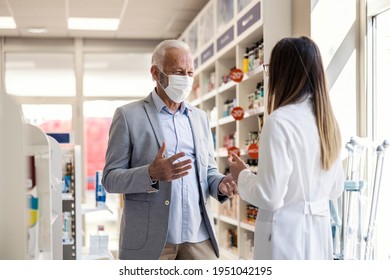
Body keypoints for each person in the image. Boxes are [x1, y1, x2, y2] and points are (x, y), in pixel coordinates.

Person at [102, 39, 237, 260]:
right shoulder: (128, 116)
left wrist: (221, 184)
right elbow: (110, 179)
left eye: (190, 72)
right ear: (156, 73)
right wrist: (150, 174)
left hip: (198, 239)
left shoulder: (200, 118)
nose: (185, 79)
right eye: (177, 72)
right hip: (151, 241)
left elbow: (208, 172)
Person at [228, 36, 345, 260]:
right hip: (319, 236)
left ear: (283, 73)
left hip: (285, 238)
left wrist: (242, 174)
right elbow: (335, 189)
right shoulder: (328, 121)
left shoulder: (279, 121)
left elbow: (270, 196)